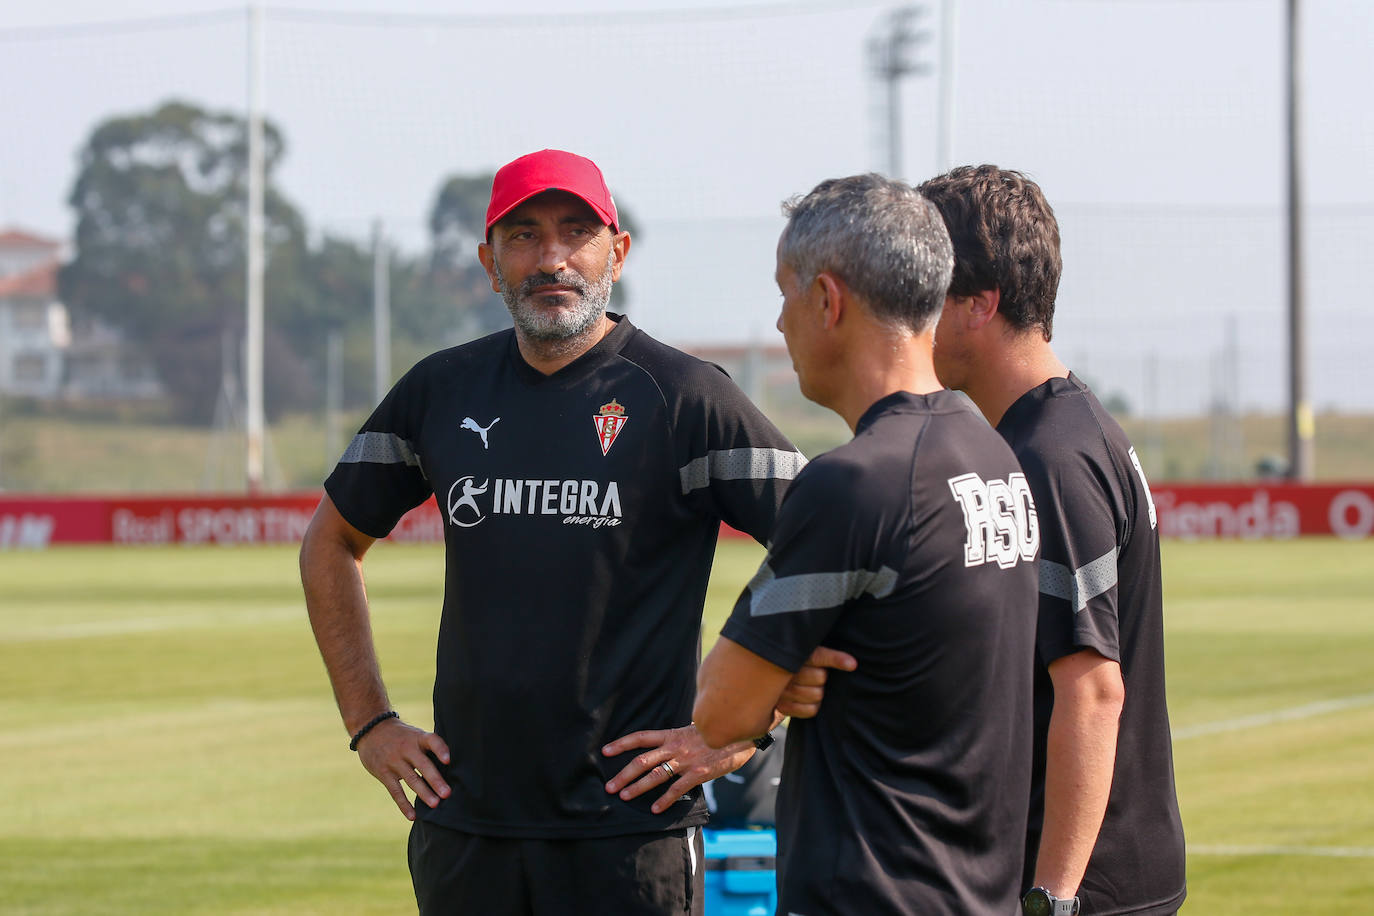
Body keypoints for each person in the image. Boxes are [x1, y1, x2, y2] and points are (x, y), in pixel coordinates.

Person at [299, 149, 849, 916]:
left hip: (631, 834)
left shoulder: (687, 397)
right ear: (490, 264)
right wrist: (371, 725)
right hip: (466, 827)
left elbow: (835, 543)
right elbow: (330, 541)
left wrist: (746, 725)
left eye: (575, 233)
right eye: (522, 237)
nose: (550, 258)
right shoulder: (439, 389)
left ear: (615, 254)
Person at [692, 173, 1041, 915]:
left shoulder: (854, 483)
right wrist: (784, 677)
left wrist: (772, 683)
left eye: (786, 293)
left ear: (828, 299)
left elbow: (720, 713)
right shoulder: (993, 455)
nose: (781, 323)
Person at [917, 164, 1187, 916]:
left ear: (979, 306)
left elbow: (1093, 689)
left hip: (1085, 886)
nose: (909, 320)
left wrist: (1053, 899)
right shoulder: (1059, 428)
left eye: (925, 296)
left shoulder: (1051, 456)